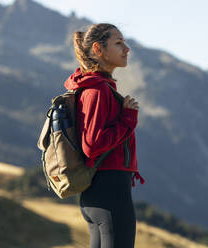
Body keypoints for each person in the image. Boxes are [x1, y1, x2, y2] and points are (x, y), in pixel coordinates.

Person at [63, 23, 145, 248]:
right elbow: (92, 144)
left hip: (100, 192)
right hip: (110, 193)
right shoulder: (97, 91)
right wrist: (128, 119)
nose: (126, 48)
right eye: (118, 43)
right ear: (98, 49)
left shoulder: (96, 87)